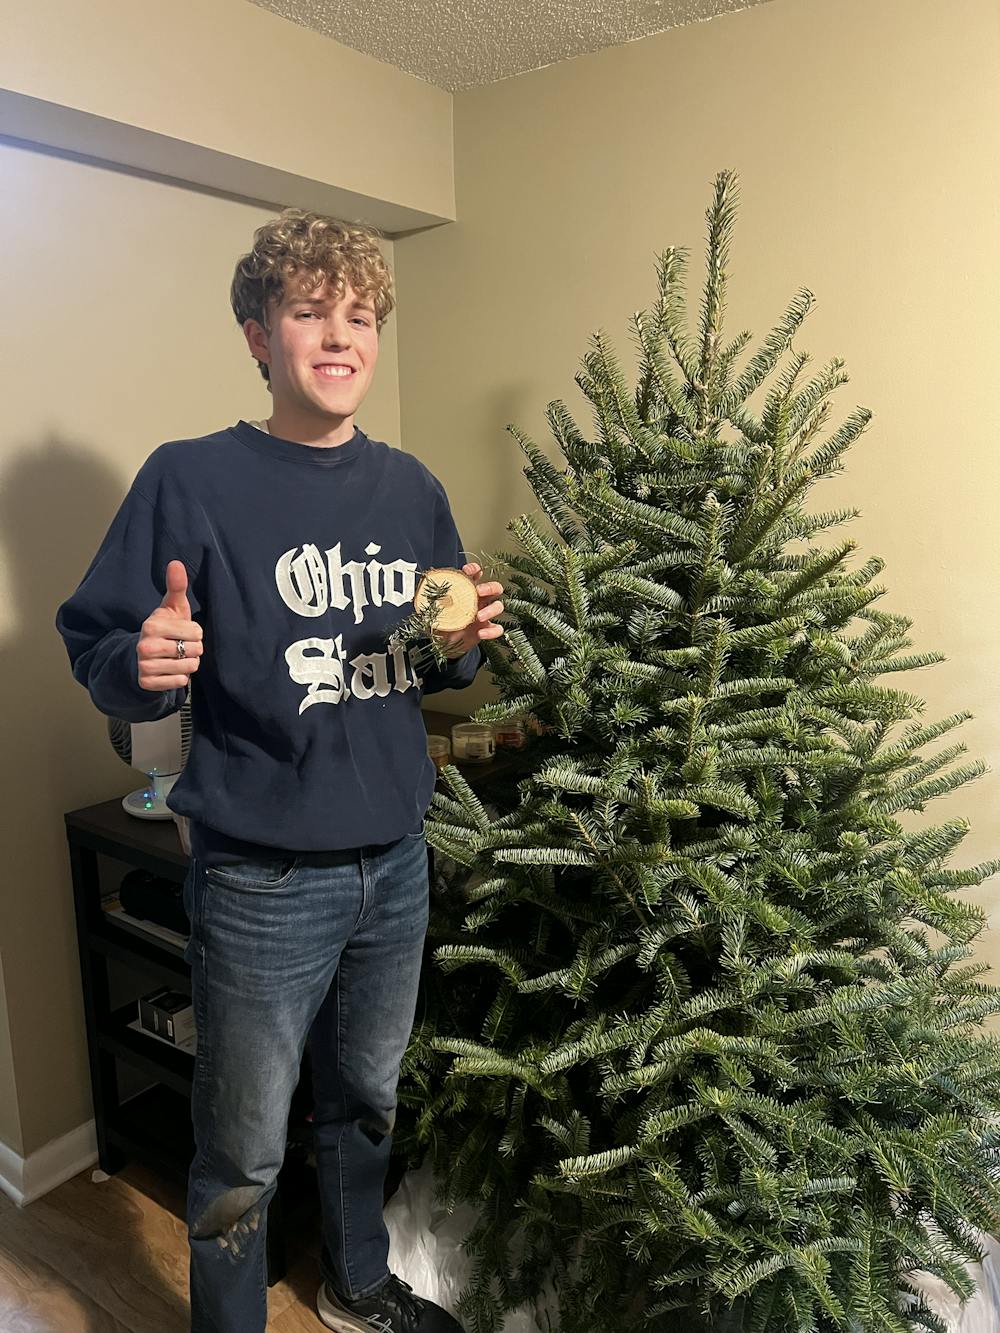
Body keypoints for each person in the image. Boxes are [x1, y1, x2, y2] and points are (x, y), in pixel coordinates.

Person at [55, 209, 505, 1333]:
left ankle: (355, 1283)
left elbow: (435, 647)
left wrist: (465, 639)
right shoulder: (192, 478)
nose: (339, 335)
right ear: (259, 335)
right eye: (309, 312)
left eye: (359, 316)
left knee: (364, 1101)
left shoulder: (410, 489)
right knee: (243, 1150)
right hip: (261, 878)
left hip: (395, 858)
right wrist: (142, 662)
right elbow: (104, 646)